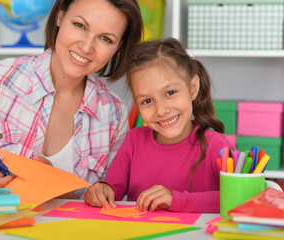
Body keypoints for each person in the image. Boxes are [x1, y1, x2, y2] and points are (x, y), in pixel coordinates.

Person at [0, 0, 143, 198]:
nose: (86, 47)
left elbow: (106, 197)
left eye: (106, 38)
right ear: (60, 16)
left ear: (119, 46)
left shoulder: (114, 113)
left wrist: (55, 185)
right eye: (80, 25)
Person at [84, 38, 233, 212]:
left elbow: (237, 199)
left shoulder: (216, 146)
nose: (161, 110)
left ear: (193, 88)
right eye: (147, 100)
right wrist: (101, 190)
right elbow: (111, 188)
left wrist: (175, 199)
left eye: (170, 93)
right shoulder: (134, 140)